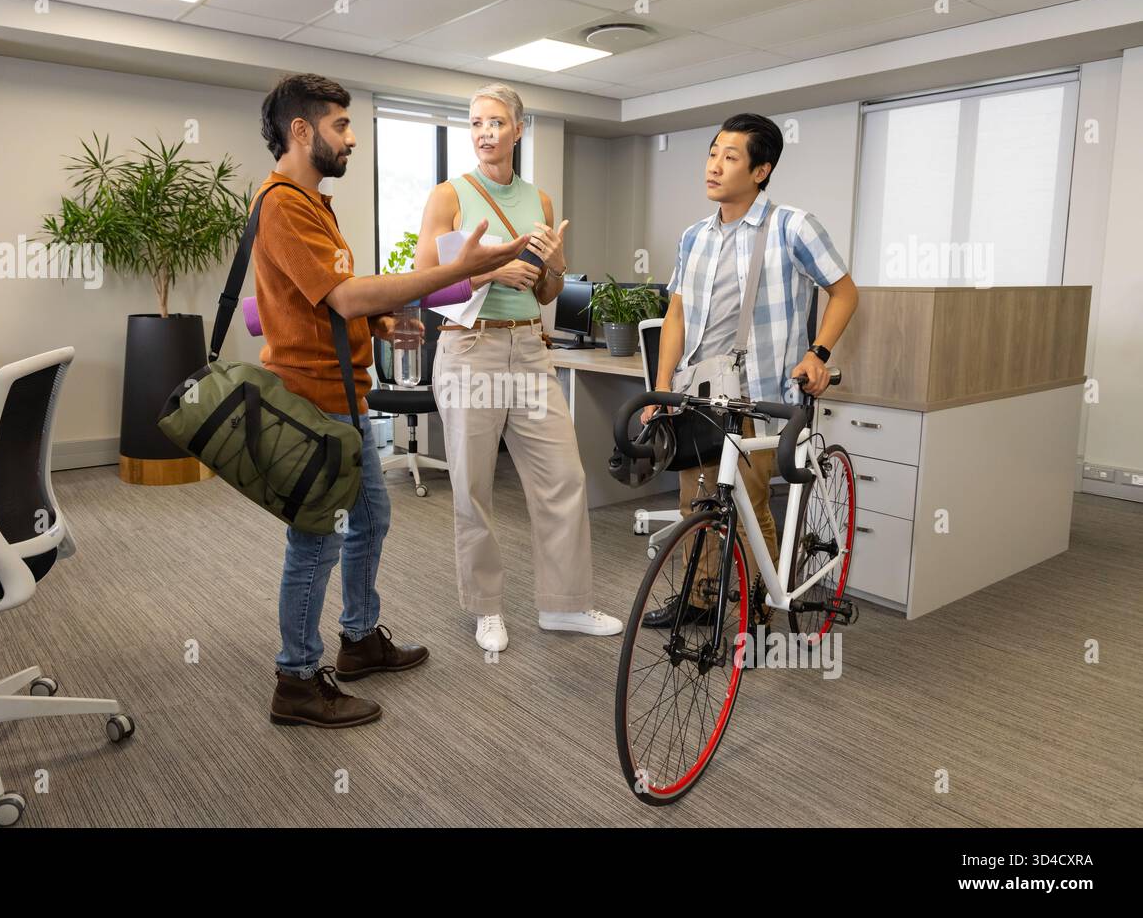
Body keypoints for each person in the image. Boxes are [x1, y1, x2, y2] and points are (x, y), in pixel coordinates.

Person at [255, 73, 529, 727]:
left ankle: (358, 638)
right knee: (317, 538)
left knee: (370, 519)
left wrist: (377, 325)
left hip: (343, 397)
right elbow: (345, 295)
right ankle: (295, 677)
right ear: (302, 131)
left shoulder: (314, 202)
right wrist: (461, 269)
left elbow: (326, 299)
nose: (352, 138)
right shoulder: (283, 204)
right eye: (341, 126)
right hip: (314, 400)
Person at [415, 83, 622, 653]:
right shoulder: (448, 196)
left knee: (563, 478)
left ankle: (566, 605)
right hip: (470, 349)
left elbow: (549, 289)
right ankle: (485, 609)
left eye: (496, 122)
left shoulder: (540, 201)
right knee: (473, 485)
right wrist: (488, 274)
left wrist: (555, 268)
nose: (485, 132)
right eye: (477, 122)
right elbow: (428, 287)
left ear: (518, 130)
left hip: (530, 349)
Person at [641, 112, 859, 630]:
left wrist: (818, 354)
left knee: (746, 506)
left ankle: (757, 609)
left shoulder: (792, 227)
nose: (714, 165)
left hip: (758, 394)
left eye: (730, 156)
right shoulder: (694, 236)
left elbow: (845, 292)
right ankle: (701, 599)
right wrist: (663, 387)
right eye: (713, 153)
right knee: (697, 503)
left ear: (761, 171)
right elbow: (676, 313)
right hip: (698, 394)